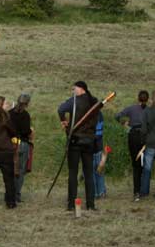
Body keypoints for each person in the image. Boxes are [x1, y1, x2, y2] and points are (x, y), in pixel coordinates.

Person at [57, 81, 99, 211]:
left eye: (74, 89)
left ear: (81, 89)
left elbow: (60, 109)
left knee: (73, 173)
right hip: (89, 140)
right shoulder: (94, 102)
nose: (73, 91)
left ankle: (71, 204)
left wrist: (64, 121)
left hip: (75, 140)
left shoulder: (74, 101)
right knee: (89, 174)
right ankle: (91, 204)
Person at [115, 90, 149, 201]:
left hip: (133, 136)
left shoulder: (131, 108)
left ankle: (137, 192)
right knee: (145, 164)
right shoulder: (150, 110)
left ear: (138, 98)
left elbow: (117, 116)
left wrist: (124, 124)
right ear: (147, 99)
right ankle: (144, 190)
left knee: (136, 165)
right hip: (146, 137)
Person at [9, 93, 32, 203]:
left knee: (11, 170)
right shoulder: (25, 115)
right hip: (22, 144)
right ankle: (16, 194)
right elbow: (26, 131)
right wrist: (31, 131)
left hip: (10, 144)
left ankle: (10, 193)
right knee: (20, 171)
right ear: (27, 103)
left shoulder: (9, 113)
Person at [92, 110, 106, 199]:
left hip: (89, 147)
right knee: (99, 170)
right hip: (98, 146)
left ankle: (95, 193)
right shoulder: (99, 114)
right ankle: (101, 192)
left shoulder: (87, 114)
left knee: (91, 172)